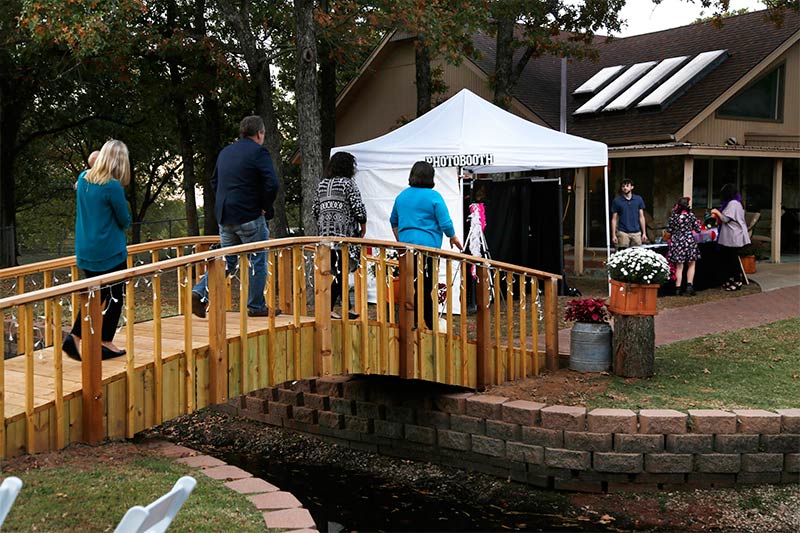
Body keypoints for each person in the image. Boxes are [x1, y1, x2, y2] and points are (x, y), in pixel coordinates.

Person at [191, 115, 280, 318]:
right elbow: (272, 183)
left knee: (228, 261)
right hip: (249, 216)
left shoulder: (225, 152)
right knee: (257, 260)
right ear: (259, 134)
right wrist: (264, 207)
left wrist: (226, 202)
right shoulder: (259, 152)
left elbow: (214, 181)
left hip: (225, 217)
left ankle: (199, 292)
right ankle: (256, 306)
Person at [62, 140, 131, 361]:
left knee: (95, 295)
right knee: (115, 297)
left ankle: (74, 337)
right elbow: (125, 220)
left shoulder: (83, 178)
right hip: (109, 251)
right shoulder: (112, 186)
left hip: (86, 249)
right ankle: (105, 342)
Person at [389, 161, 463, 329]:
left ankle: (415, 321)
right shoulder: (434, 196)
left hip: (407, 250)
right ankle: (428, 322)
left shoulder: (402, 197)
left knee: (411, 285)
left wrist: (400, 240)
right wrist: (452, 237)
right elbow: (445, 222)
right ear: (431, 177)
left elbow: (393, 221)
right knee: (426, 285)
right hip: (428, 250)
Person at [312, 151, 367, 320]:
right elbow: (358, 208)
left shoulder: (322, 185)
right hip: (343, 234)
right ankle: (328, 308)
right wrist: (363, 225)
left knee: (334, 270)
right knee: (341, 271)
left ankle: (347, 307)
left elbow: (315, 210)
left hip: (325, 236)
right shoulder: (348, 184)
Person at [711, 183, 750, 291]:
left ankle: (737, 281)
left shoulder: (733, 203)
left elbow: (725, 219)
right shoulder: (736, 203)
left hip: (733, 236)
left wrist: (716, 212)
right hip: (731, 235)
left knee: (733, 259)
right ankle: (730, 279)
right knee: (728, 258)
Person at [665, 197, 702, 296]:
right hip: (689, 241)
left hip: (677, 241)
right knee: (691, 264)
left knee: (679, 266)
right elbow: (698, 229)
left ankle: (677, 288)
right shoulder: (691, 216)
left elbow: (668, 231)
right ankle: (689, 286)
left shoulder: (674, 216)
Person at [611, 179, 648, 248]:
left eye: (627, 186)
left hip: (636, 232)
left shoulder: (638, 199)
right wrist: (614, 235)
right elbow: (614, 219)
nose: (625, 188)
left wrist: (644, 233)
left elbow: (641, 217)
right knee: (623, 254)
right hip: (623, 232)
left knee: (637, 254)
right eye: (623, 186)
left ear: (632, 187)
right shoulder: (617, 201)